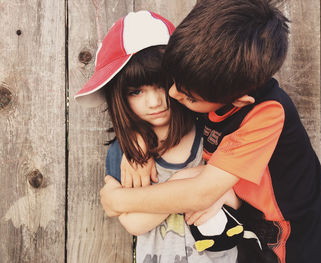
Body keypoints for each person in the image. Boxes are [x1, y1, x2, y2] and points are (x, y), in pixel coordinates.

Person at [99, 1, 321, 263]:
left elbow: (201, 191)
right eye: (173, 81)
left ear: (237, 100)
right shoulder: (210, 85)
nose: (172, 95)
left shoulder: (267, 113)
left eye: (187, 97)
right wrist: (135, 140)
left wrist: (120, 201)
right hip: (255, 242)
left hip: (304, 247)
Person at [75, 10, 248, 263]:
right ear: (118, 97)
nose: (154, 101)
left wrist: (152, 197)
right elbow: (134, 223)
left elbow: (240, 197)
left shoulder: (210, 133)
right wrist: (192, 187)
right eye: (136, 91)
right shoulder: (126, 153)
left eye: (162, 85)